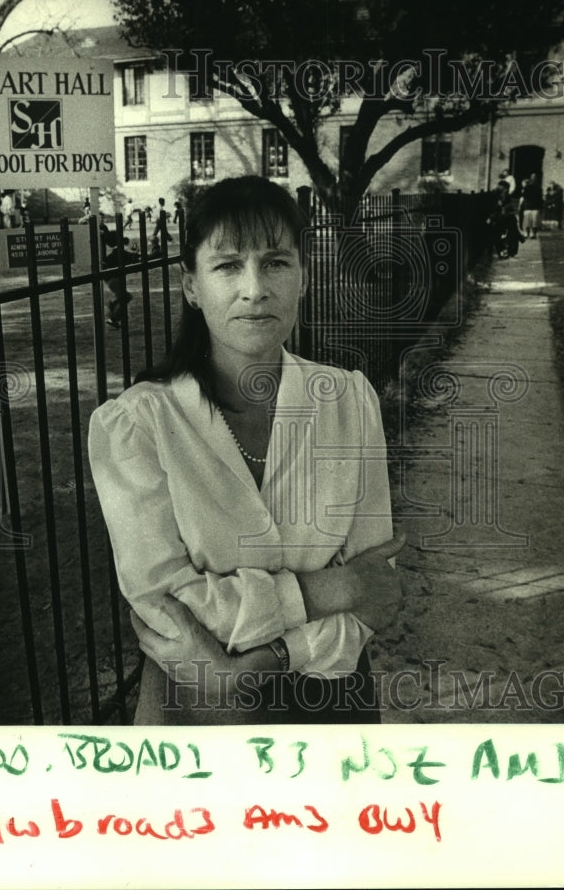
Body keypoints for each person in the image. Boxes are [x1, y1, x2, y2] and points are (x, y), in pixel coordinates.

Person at [88, 176, 405, 725]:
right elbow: (165, 605)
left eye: (276, 263)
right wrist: (325, 588)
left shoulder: (349, 399)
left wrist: (264, 660)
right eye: (228, 265)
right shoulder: (138, 425)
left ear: (303, 277)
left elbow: (375, 589)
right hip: (200, 713)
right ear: (191, 286)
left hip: (333, 706)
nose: (254, 288)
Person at [520, 173, 544, 239]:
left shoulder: (526, 187)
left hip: (528, 206)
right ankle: (532, 234)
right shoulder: (539, 188)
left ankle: (526, 234)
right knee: (534, 222)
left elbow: (524, 196)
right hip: (535, 207)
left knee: (527, 221)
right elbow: (540, 198)